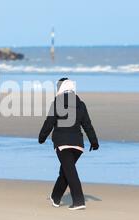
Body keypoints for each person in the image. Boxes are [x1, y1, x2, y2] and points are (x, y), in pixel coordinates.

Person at [38, 78, 99, 210]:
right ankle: (55, 197)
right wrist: (94, 142)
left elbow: (49, 122)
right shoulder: (81, 104)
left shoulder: (57, 103)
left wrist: (42, 137)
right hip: (78, 145)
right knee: (66, 171)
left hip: (62, 144)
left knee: (70, 172)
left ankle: (79, 201)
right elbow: (87, 125)